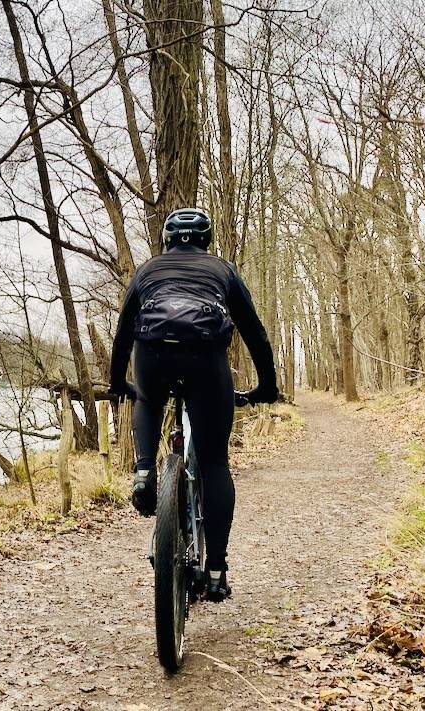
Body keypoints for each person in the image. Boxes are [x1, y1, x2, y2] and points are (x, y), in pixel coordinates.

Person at [107, 207, 278, 602]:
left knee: (148, 398)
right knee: (215, 463)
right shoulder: (223, 270)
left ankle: (145, 470)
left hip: (152, 355)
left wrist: (118, 382)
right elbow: (255, 333)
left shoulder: (148, 271)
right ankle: (216, 571)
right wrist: (266, 387)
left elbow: (122, 332)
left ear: (166, 239)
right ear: (207, 239)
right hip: (206, 361)